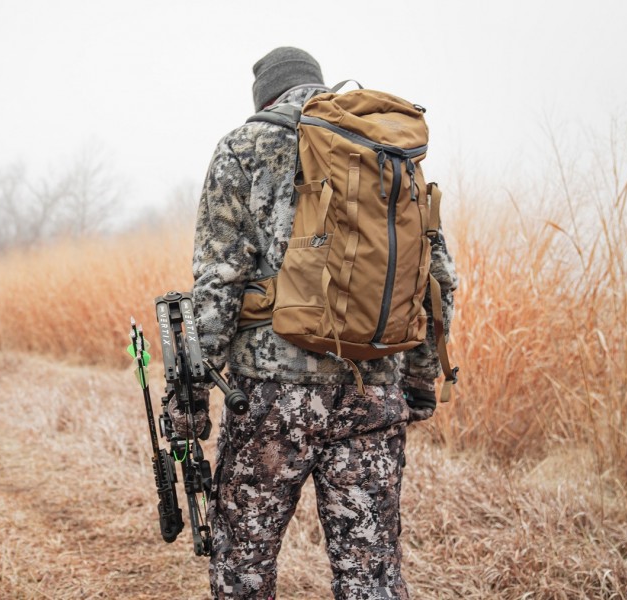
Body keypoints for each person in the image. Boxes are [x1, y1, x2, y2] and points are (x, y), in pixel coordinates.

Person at [172, 47, 459, 599]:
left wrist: (188, 398)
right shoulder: (382, 149)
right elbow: (436, 279)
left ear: (264, 95)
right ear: (316, 85)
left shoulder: (243, 147)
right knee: (371, 574)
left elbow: (217, 286)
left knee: (244, 568)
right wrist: (420, 383)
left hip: (270, 400)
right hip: (373, 389)